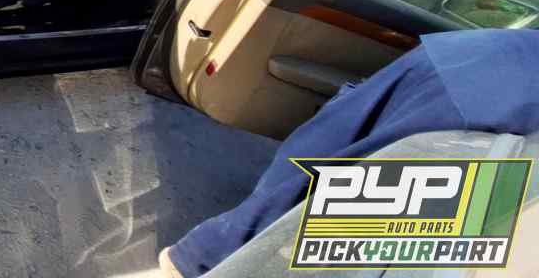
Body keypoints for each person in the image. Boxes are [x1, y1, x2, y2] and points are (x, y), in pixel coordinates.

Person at [160, 29, 539, 277]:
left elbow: (312, 160)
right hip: (494, 97)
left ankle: (209, 255)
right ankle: (213, 257)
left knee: (327, 171)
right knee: (357, 213)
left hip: (475, 61)